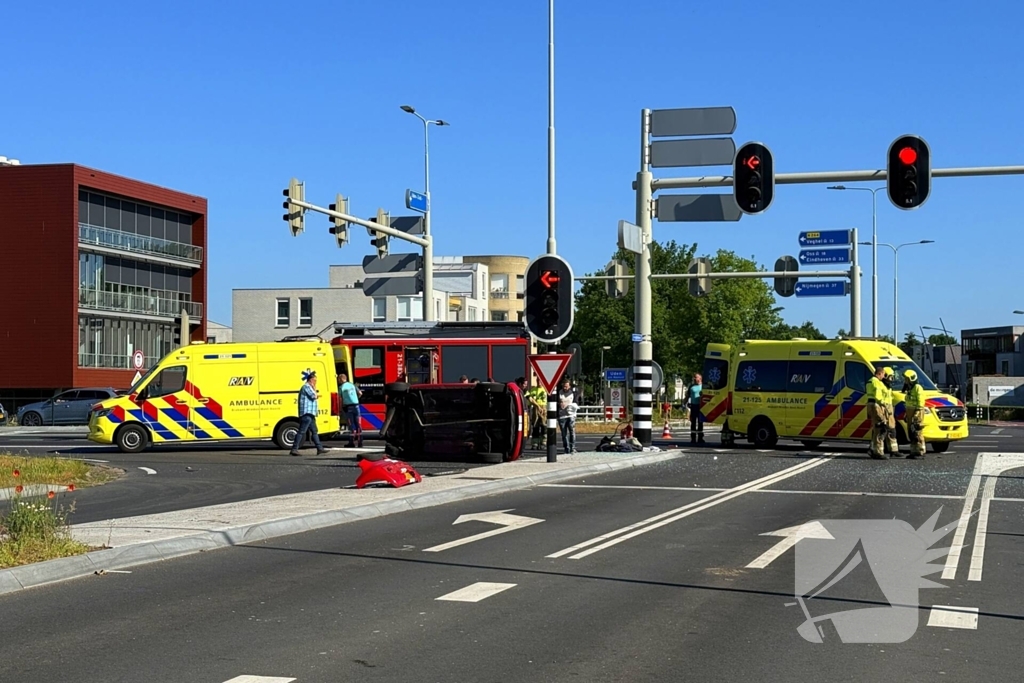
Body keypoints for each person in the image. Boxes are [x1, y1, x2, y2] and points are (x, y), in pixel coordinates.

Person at [290, 370, 328, 457]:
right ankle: (294, 449)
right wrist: (315, 390)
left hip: (310, 414)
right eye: (315, 380)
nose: (315, 382)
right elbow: (313, 396)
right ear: (310, 380)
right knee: (302, 431)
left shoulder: (308, 387)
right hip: (306, 413)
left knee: (314, 431)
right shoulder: (306, 387)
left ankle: (319, 449)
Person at [866, 366, 899, 458]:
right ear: (882, 374)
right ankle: (877, 451)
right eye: (887, 376)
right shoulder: (877, 382)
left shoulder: (882, 384)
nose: (891, 379)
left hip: (882, 406)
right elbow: (878, 396)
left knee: (887, 428)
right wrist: (883, 405)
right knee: (880, 428)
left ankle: (882, 450)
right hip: (879, 405)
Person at [903, 369, 926, 459]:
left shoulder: (917, 387)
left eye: (907, 379)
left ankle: (920, 451)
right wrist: (906, 414)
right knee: (911, 432)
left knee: (917, 432)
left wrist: (917, 413)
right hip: (910, 412)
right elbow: (908, 402)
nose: (905, 380)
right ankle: (913, 451)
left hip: (917, 411)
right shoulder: (909, 388)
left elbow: (920, 401)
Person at [338, 372, 362, 448]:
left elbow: (340, 398)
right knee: (358, 424)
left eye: (338, 379)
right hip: (356, 406)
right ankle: (360, 442)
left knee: (351, 425)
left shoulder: (341, 387)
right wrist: (356, 399)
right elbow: (360, 393)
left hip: (348, 407)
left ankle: (351, 442)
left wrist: (341, 407)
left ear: (341, 379)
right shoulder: (352, 385)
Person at [557, 378, 577, 454]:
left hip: (571, 415)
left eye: (567, 386)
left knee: (572, 432)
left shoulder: (573, 393)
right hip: (562, 415)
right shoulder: (559, 392)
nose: (565, 388)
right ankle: (566, 448)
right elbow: (555, 401)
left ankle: (573, 447)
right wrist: (559, 404)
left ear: (570, 386)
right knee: (564, 433)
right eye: (564, 386)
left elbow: (576, 402)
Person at [688, 373, 704, 444]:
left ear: (700, 378)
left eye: (696, 377)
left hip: (701, 406)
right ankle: (693, 438)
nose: (695, 379)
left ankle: (700, 438)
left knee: (700, 423)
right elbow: (688, 395)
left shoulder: (703, 386)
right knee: (693, 423)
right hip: (693, 406)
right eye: (694, 377)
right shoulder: (691, 387)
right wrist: (684, 403)